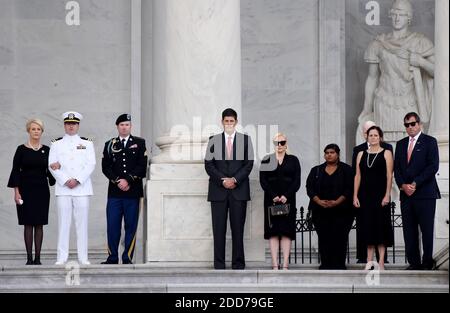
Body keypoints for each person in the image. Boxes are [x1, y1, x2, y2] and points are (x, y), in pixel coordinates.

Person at [358, 0, 435, 143]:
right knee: (382, 145)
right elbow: (372, 77)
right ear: (390, 15)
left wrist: (420, 61)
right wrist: (367, 108)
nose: (397, 18)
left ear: (409, 18)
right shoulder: (378, 44)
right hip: (384, 101)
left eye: (402, 14)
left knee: (411, 144)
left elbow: (438, 72)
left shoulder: (420, 42)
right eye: (394, 14)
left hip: (410, 102)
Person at [205, 108, 254, 270]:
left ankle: (238, 264)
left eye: (231, 121)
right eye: (226, 121)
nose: (229, 124)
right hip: (218, 191)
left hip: (238, 191)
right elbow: (208, 165)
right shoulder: (213, 140)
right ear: (222, 122)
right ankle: (219, 264)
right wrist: (222, 180)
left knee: (238, 230)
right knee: (218, 230)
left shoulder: (246, 140)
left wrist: (234, 179)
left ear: (236, 122)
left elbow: (249, 164)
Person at [48, 111, 96, 265]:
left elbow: (91, 164)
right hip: (63, 189)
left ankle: (83, 257)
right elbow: (52, 165)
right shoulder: (56, 143)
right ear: (64, 125)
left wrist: (77, 180)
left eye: (74, 124)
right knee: (63, 223)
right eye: (68, 124)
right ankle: (61, 258)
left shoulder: (87, 143)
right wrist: (66, 180)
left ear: (78, 125)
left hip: (82, 189)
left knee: (82, 225)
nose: (71, 126)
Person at [394, 112, 440, 270]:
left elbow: (433, 166)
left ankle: (427, 262)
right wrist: (403, 186)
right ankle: (414, 262)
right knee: (409, 230)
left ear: (419, 124)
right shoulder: (400, 144)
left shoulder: (430, 141)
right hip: (406, 195)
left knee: (426, 229)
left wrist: (415, 183)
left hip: (425, 193)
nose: (410, 127)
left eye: (413, 124)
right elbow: (396, 169)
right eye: (407, 125)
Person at [101, 114, 148, 265]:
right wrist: (117, 181)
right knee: (112, 226)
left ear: (130, 126)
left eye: (127, 124)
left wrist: (128, 180)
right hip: (115, 193)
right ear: (117, 127)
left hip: (133, 192)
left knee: (131, 226)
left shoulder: (140, 143)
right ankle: (112, 257)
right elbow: (105, 167)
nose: (124, 127)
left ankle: (127, 257)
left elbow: (142, 166)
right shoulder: (110, 144)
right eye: (121, 125)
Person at [7, 119, 55, 265]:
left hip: (41, 190)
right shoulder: (21, 149)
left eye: (38, 129)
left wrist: (57, 170)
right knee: (28, 223)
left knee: (39, 224)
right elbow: (15, 171)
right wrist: (16, 192)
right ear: (29, 131)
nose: (36, 131)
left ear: (42, 132)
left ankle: (38, 259)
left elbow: (51, 171)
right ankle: (29, 258)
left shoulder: (47, 150)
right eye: (33, 129)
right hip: (25, 190)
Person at [306, 144, 354, 270]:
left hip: (342, 211)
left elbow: (349, 188)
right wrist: (319, 201)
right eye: (326, 152)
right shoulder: (316, 170)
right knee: (324, 237)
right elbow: (309, 188)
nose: (329, 155)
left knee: (340, 238)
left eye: (332, 152)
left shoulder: (347, 170)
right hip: (320, 211)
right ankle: (326, 264)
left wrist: (337, 202)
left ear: (338, 154)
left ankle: (339, 264)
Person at [354, 126, 394, 270]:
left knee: (381, 229)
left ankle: (381, 262)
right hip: (365, 196)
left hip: (380, 195)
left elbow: (389, 175)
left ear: (380, 137)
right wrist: (355, 196)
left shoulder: (387, 153)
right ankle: (369, 262)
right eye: (370, 135)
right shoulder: (360, 154)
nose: (373, 137)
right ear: (367, 137)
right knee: (367, 228)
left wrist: (387, 195)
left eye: (376, 135)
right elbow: (357, 176)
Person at [260, 133, 301, 270]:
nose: (279, 145)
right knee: (273, 232)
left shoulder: (294, 160)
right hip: (271, 201)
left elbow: (297, 181)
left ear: (286, 143)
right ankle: (274, 263)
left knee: (286, 231)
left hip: (288, 201)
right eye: (277, 143)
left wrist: (286, 196)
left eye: (282, 142)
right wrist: (273, 195)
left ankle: (285, 263)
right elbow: (263, 180)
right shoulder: (267, 159)